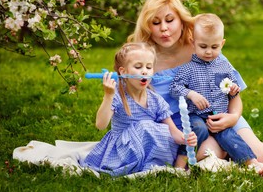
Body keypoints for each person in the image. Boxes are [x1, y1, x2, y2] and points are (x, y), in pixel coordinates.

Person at [127, 0, 263, 166]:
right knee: (199, 157)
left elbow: (231, 90)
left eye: (170, 20)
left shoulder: (202, 47)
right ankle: (223, 150)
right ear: (147, 26)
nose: (163, 28)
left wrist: (232, 117)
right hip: (186, 131)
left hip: (222, 115)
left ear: (181, 20)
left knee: (262, 157)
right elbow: (137, 106)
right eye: (155, 23)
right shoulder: (144, 59)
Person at [170, 13, 263, 174]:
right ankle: (181, 166)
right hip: (196, 114)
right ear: (193, 43)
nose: (209, 51)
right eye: (203, 46)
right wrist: (191, 94)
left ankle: (252, 162)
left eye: (214, 47)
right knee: (197, 129)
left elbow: (231, 89)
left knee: (230, 136)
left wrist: (233, 90)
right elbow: (175, 87)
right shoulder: (188, 68)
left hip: (218, 115)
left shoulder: (224, 66)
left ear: (222, 44)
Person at [81, 42, 197, 176]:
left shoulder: (155, 99)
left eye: (149, 67)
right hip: (122, 151)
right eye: (138, 66)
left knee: (160, 130)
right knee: (145, 126)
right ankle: (137, 166)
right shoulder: (118, 96)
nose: (144, 71)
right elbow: (100, 125)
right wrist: (108, 95)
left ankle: (149, 165)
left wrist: (185, 139)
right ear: (123, 72)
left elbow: (172, 131)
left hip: (146, 150)